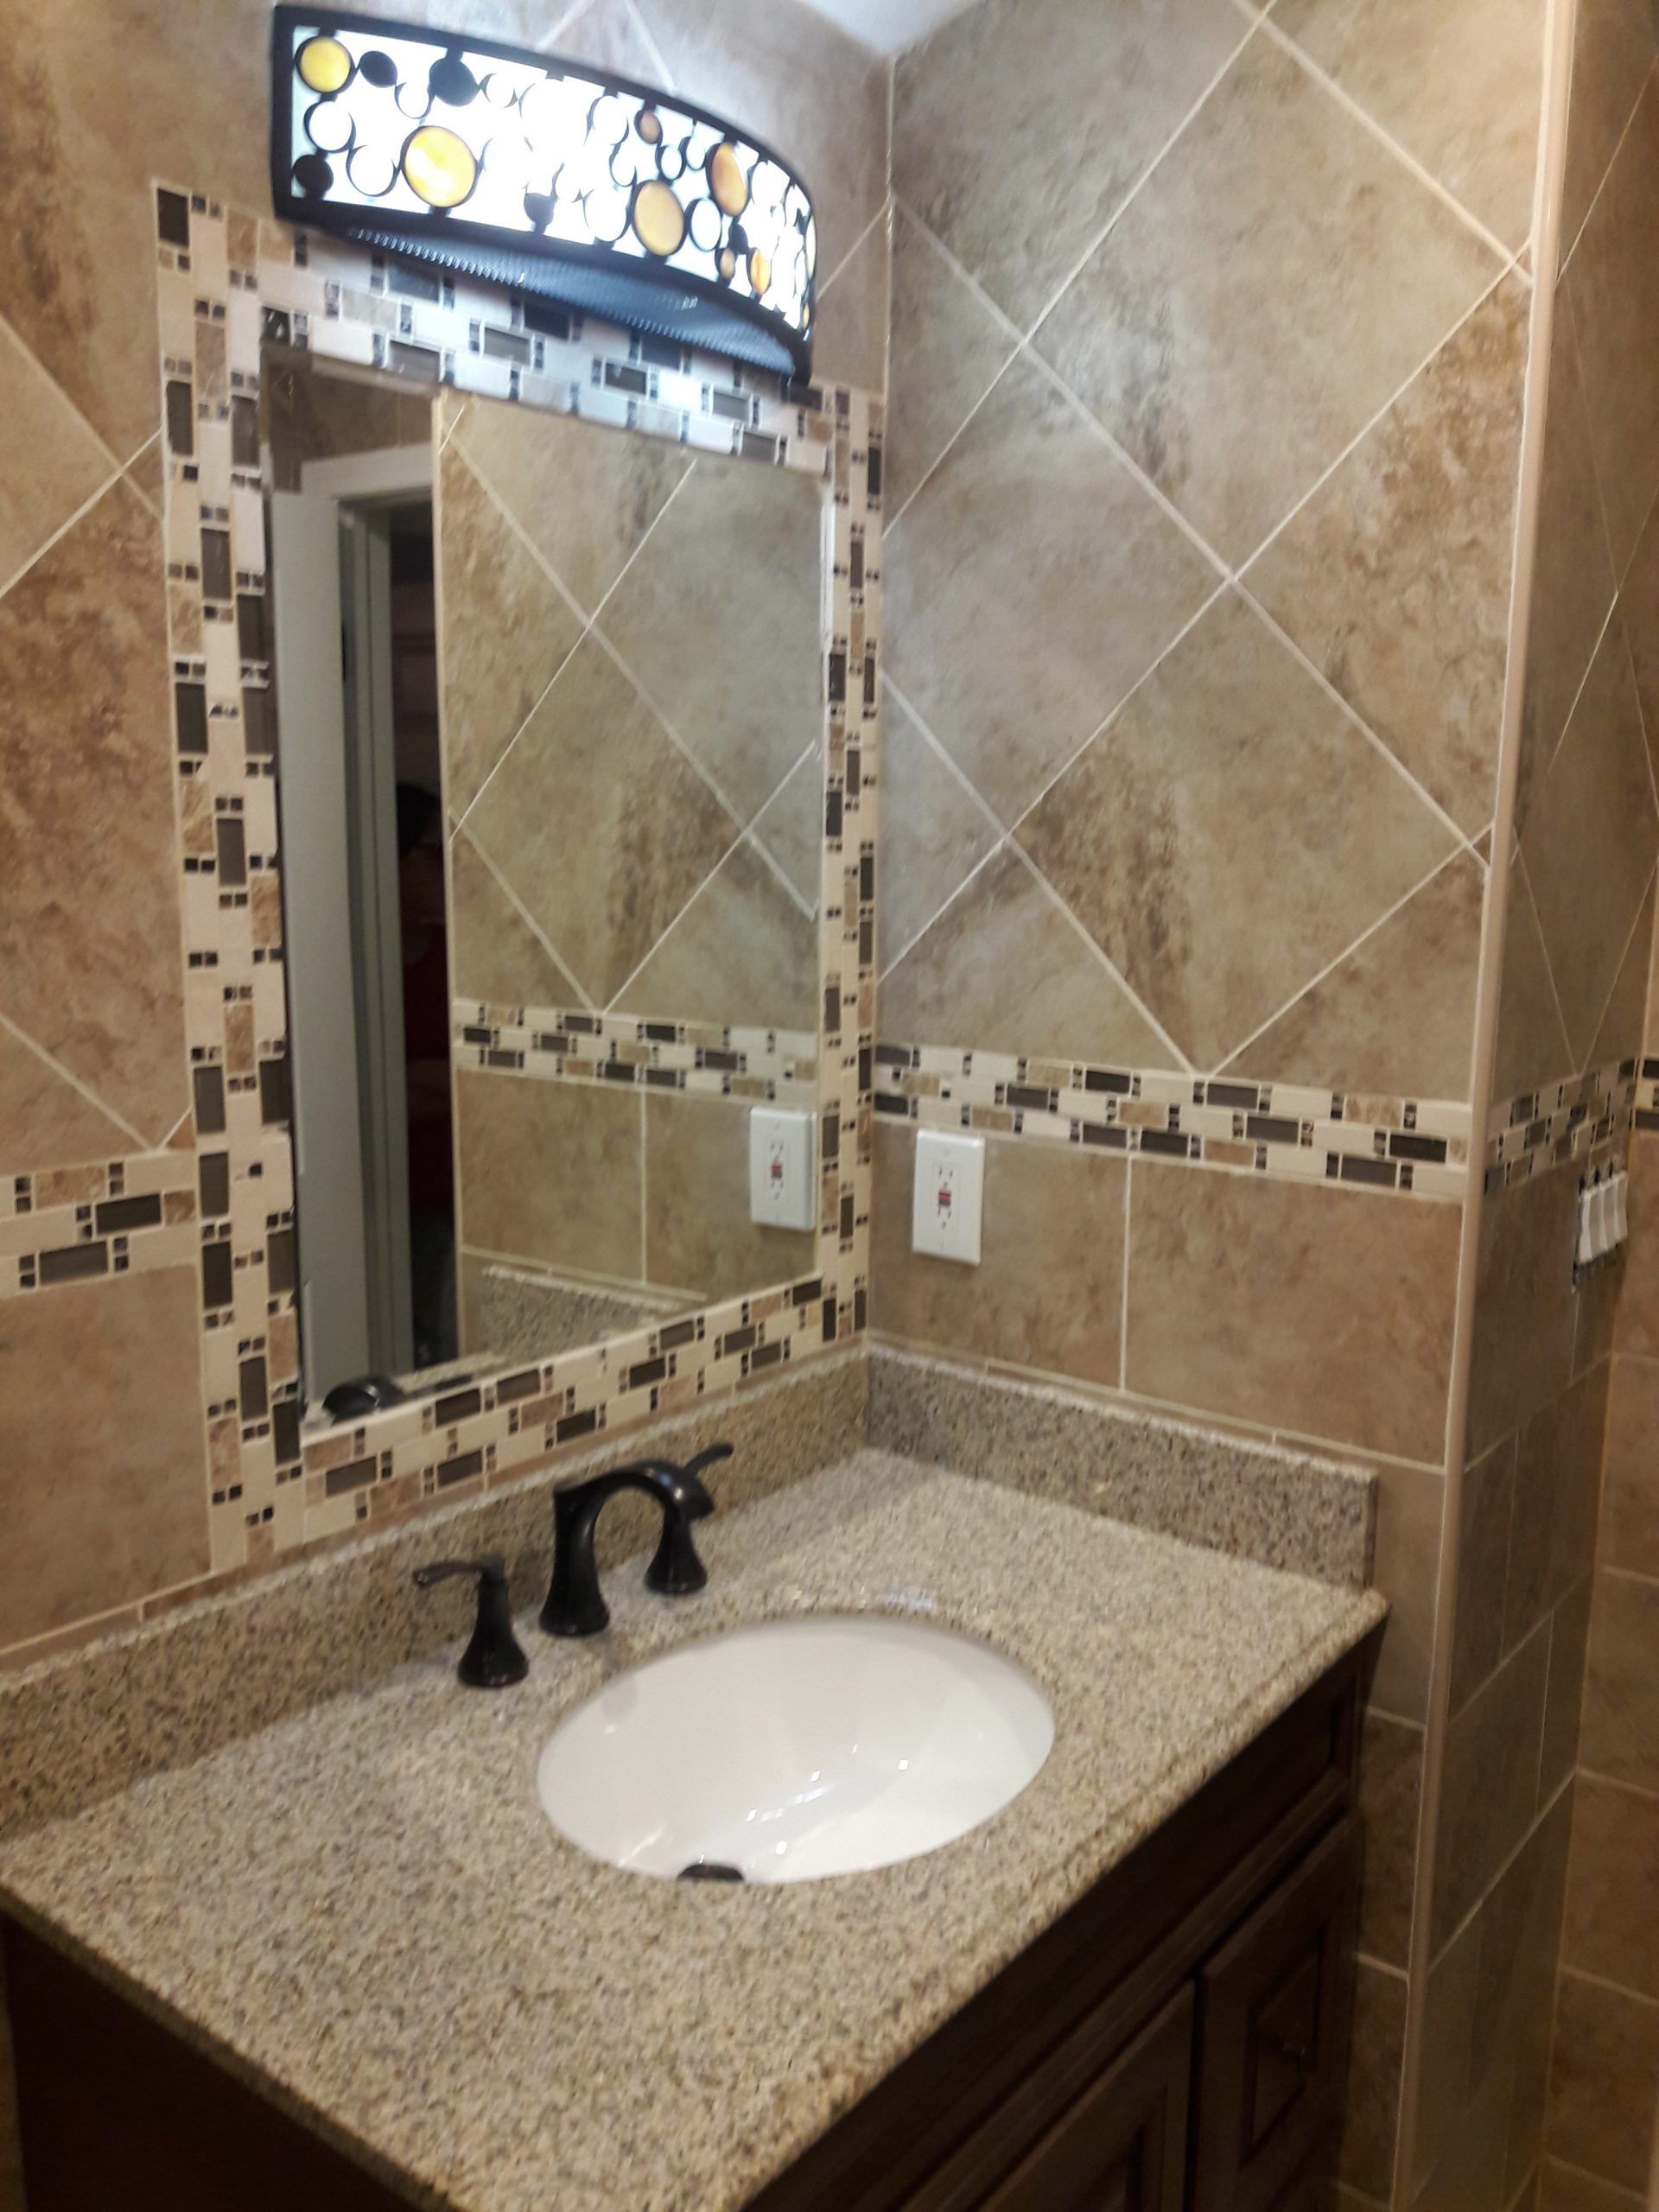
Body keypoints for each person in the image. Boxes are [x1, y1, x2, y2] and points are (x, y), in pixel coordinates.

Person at [397, 783, 457, 1367]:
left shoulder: (455, 956)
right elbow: (372, 1100)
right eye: (434, 852)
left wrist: (417, 1082)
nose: (448, 866)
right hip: (388, 1208)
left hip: (458, 1202)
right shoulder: (363, 963)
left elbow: (471, 1081)